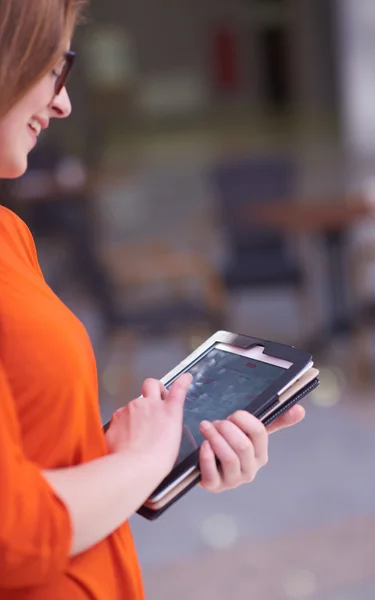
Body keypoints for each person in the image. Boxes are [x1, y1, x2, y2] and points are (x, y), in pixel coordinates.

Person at [0, 1, 306, 599]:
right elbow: (15, 533)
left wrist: (138, 453)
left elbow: (35, 453)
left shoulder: (10, 235)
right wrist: (140, 463)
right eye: (56, 68)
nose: (63, 102)